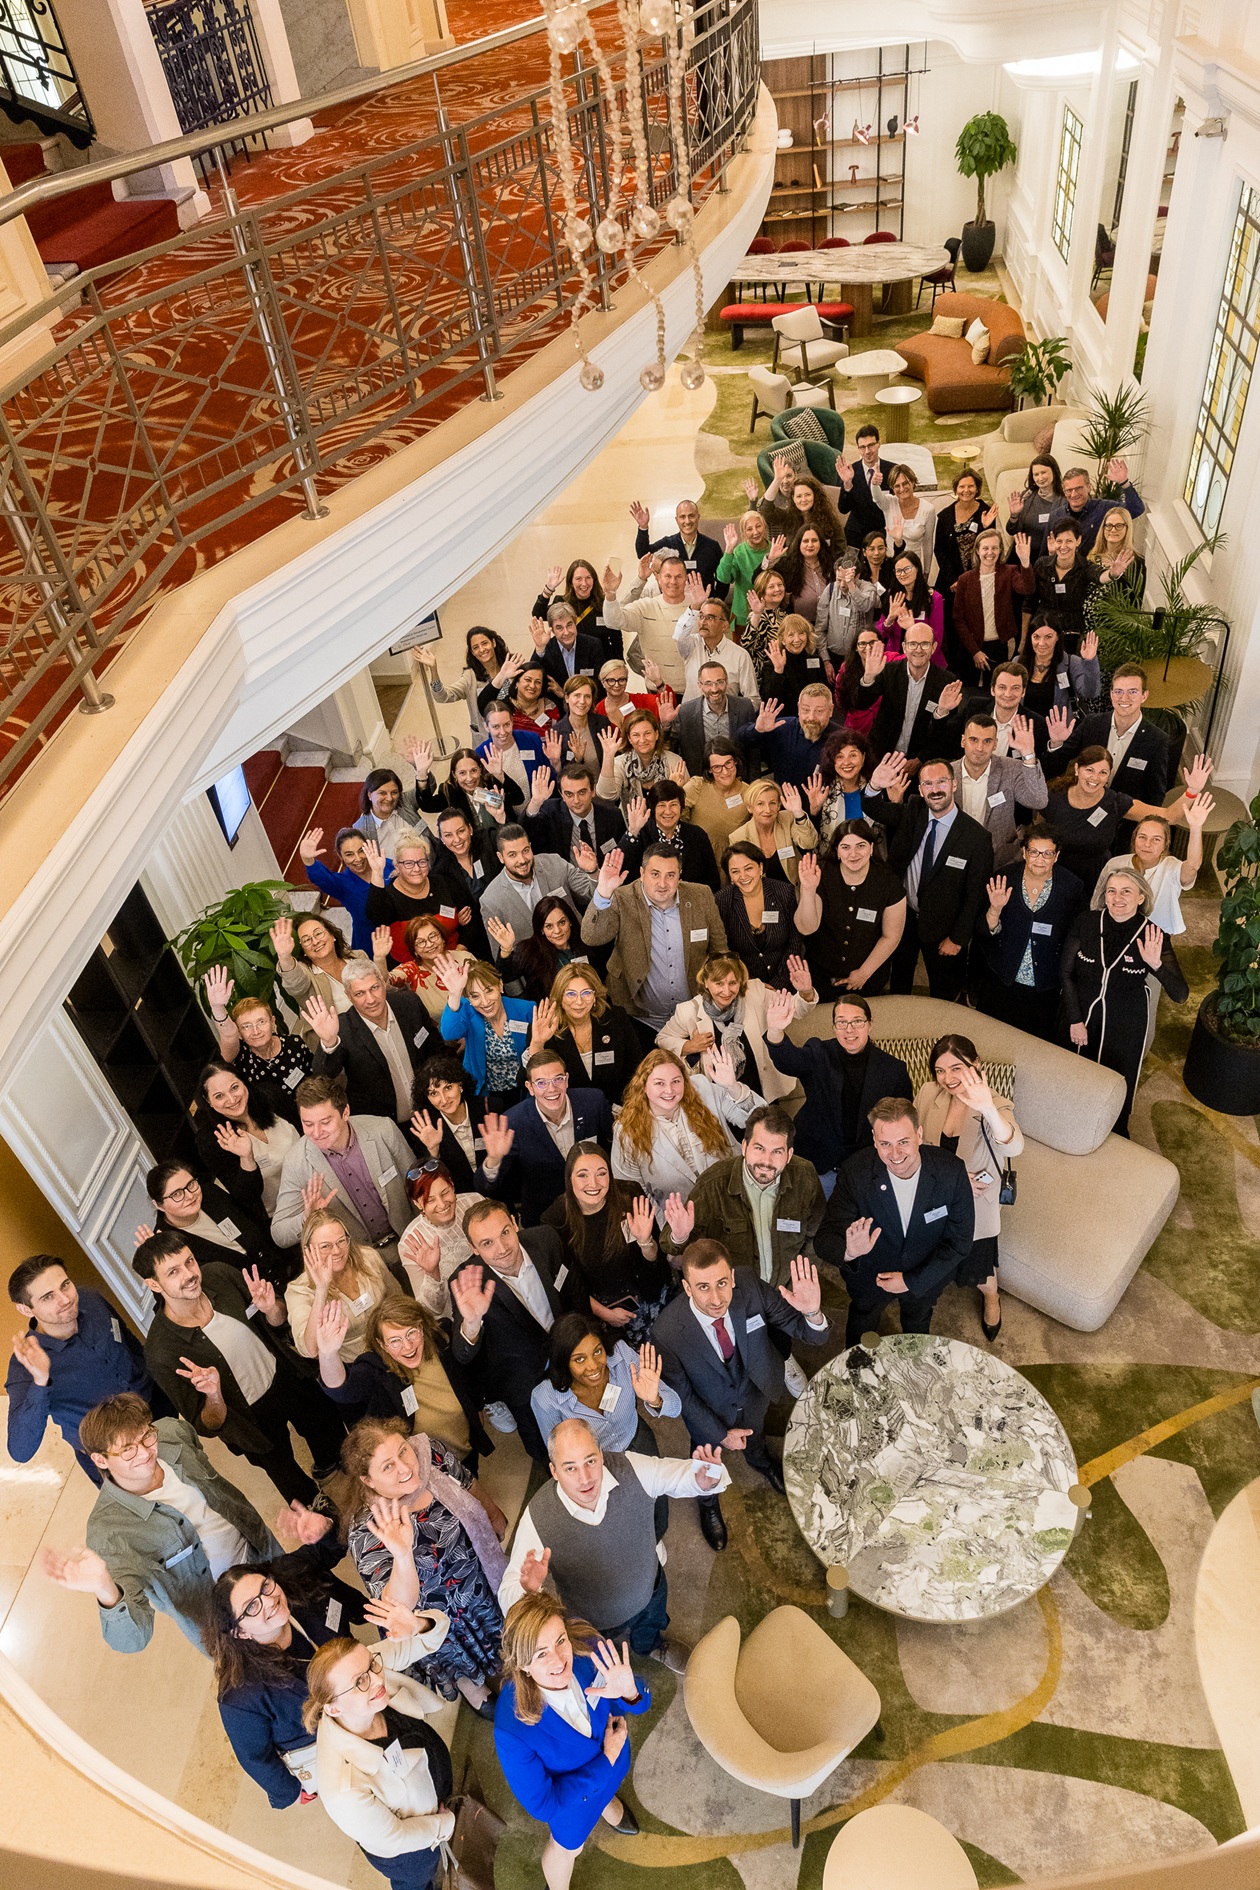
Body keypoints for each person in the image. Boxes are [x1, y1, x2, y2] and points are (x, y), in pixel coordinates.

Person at [40, 1395, 298, 1652]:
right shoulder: (109, 1532)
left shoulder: (172, 1433)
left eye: (146, 1436)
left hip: (266, 1559)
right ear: (100, 1460)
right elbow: (132, 1641)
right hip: (229, 1623)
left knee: (308, 1615)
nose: (145, 1453)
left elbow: (194, 1444)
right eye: (128, 1450)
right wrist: (105, 1589)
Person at [135, 1232, 344, 1507]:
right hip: (249, 1420)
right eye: (173, 1272)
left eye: (189, 1261)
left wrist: (271, 1308)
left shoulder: (220, 1275)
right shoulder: (161, 1352)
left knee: (332, 1439)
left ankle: (334, 1474)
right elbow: (206, 1424)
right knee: (292, 1483)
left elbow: (278, 1321)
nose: (189, 1274)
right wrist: (213, 1395)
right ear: (153, 1284)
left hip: (284, 1378)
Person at [499, 1417, 727, 1667]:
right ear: (554, 1471)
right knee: (596, 1651)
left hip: (648, 1591)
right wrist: (528, 1590)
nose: (585, 1479)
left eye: (590, 1461)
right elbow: (508, 1592)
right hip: (590, 1619)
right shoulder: (538, 1516)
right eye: (570, 1468)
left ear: (601, 1454)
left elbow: (681, 1475)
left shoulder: (632, 1468)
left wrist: (705, 1480)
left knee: (650, 1626)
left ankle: (651, 1646)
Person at [652, 1242, 829, 1520]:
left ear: (733, 1277)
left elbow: (809, 1333)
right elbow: (683, 1397)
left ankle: (759, 1460)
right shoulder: (667, 1332)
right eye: (703, 1287)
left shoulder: (750, 1286)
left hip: (755, 1392)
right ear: (687, 1288)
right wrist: (722, 1435)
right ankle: (708, 1501)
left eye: (722, 1283)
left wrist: (811, 1313)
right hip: (709, 1411)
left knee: (755, 1434)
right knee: (704, 1457)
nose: (716, 1299)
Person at [341, 1415, 507, 1713]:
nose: (406, 1467)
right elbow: (396, 1607)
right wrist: (402, 1554)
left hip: (479, 1582)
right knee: (462, 1664)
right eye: (387, 1466)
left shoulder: (430, 1453)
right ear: (368, 1480)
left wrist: (494, 1516)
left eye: (403, 1451)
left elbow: (468, 1483)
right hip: (439, 1620)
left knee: (501, 1639)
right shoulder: (366, 1531)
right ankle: (474, 1689)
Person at [207, 1533, 384, 1808]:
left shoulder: (298, 1590)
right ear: (239, 1632)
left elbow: (327, 1546)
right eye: (251, 1607)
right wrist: (288, 1791)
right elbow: (255, 1756)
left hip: (369, 1706)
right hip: (332, 1749)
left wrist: (324, 1526)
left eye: (265, 1586)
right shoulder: (240, 1694)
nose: (269, 1601)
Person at [494, 1598, 650, 1885]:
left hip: (614, 1764)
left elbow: (633, 1703)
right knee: (568, 1850)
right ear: (523, 1665)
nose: (559, 1660)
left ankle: (608, 1804)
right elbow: (544, 1804)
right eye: (541, 1654)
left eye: (560, 1641)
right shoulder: (511, 1727)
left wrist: (630, 1692)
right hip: (573, 1803)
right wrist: (606, 1760)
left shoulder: (587, 1648)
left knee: (607, 1790)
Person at [303, 1625, 457, 1889]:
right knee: (418, 1881)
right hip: (411, 1851)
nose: (377, 1679)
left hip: (433, 1785)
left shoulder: (362, 1667)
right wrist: (444, 1824)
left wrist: (419, 1624)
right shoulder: (344, 1791)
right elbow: (395, 1838)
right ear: (333, 1708)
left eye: (373, 1665)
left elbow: (432, 1634)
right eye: (359, 1683)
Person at [816, 1098, 975, 1345]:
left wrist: (911, 1281)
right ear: (874, 1140)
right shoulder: (855, 1173)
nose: (895, 1154)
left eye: (903, 1142)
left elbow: (960, 1243)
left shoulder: (951, 1171)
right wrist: (849, 1251)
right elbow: (824, 1239)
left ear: (919, 1135)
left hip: (925, 1275)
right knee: (863, 1322)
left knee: (917, 1323)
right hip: (870, 1277)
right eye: (885, 1144)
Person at [448, 1200, 585, 1460]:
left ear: (514, 1223)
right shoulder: (466, 1282)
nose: (502, 1249)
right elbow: (462, 1354)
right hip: (522, 1380)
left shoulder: (546, 1240)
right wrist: (472, 1322)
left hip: (568, 1353)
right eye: (487, 1243)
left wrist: (583, 1339)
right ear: (473, 1248)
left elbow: (573, 1287)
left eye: (505, 1233)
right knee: (541, 1445)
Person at [1061, 864, 1189, 1134]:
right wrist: (1074, 1019)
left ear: (1141, 897)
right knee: (1074, 1076)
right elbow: (1066, 973)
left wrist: (1156, 965)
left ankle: (1113, 1134)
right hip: (1081, 1015)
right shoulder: (1086, 921)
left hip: (1126, 1024)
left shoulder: (1153, 934)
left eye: (1126, 891)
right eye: (1111, 891)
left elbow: (1180, 994)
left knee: (1115, 1081)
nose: (1117, 898)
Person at [7, 1257, 157, 1483]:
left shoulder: (90, 1299)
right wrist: (40, 1381)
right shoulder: (25, 1365)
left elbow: (126, 1338)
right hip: (115, 1454)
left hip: (154, 1410)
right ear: (26, 1309)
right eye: (48, 1297)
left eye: (65, 1285)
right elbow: (20, 1450)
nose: (65, 1299)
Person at [659, 1103, 826, 1305]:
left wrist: (797, 1284)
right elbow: (668, 1243)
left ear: (789, 1155)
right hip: (734, 1299)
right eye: (759, 1148)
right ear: (745, 1146)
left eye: (777, 1152)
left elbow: (816, 1236)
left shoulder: (805, 1176)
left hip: (785, 1296)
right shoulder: (713, 1183)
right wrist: (680, 1235)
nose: (766, 1161)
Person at [915, 1036, 1023, 1342]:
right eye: (940, 1070)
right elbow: (917, 1143)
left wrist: (987, 1108)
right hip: (936, 1193)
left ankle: (992, 1297)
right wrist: (955, 1178)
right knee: (932, 1252)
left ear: (976, 1065)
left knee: (978, 1267)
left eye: (956, 1068)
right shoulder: (928, 1093)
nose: (947, 1078)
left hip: (975, 1204)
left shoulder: (995, 1103)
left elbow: (1014, 1145)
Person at [870, 754, 993, 999]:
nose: (935, 790)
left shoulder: (976, 837)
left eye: (941, 782)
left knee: (943, 992)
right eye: (928, 783)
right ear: (920, 789)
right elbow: (874, 808)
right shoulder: (913, 810)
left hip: (943, 929)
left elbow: (976, 895)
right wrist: (874, 785)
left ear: (954, 784)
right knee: (899, 984)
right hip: (902, 918)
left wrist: (958, 938)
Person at [763, 989, 912, 1192]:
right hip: (816, 1161)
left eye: (857, 1021)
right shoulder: (819, 1052)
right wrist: (775, 1032)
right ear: (834, 1027)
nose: (849, 1029)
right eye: (841, 1022)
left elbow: (903, 1122)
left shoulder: (893, 1069)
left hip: (866, 1167)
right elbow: (790, 1061)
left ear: (869, 1023)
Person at [316, 1292, 489, 1466]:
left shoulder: (441, 1338)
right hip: (425, 1465)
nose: (407, 1346)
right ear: (382, 1345)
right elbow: (343, 1390)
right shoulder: (376, 1367)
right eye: (395, 1341)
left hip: (465, 1445)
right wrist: (328, 1354)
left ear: (422, 1327)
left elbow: (468, 1373)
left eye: (411, 1333)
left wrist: (477, 1407)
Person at [581, 844, 727, 1038]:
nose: (662, 884)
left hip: (692, 1013)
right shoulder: (622, 898)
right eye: (655, 874)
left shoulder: (701, 895)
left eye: (670, 875)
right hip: (638, 1015)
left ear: (680, 875)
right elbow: (591, 937)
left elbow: (720, 951)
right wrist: (603, 893)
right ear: (642, 873)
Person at [270, 1077, 416, 1258]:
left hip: (410, 1241)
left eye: (325, 1122)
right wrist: (308, 1217)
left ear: (345, 1112)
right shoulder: (296, 1162)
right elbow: (279, 1233)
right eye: (308, 1124)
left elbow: (418, 1185)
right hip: (356, 1260)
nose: (316, 1132)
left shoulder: (383, 1130)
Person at [540, 1150, 673, 1343]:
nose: (593, 1183)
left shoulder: (629, 1194)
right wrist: (605, 1314)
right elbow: (568, 1282)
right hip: (607, 1318)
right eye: (583, 1175)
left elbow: (657, 1259)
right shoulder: (556, 1219)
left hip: (654, 1299)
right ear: (569, 1179)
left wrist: (645, 1242)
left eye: (601, 1173)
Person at [473, 1048, 614, 1228]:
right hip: (545, 1216)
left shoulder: (593, 1102)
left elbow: (611, 1148)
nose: (552, 1089)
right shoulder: (514, 1122)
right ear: (530, 1088)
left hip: (598, 1206)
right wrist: (493, 1159)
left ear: (566, 1080)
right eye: (541, 1083)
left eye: (558, 1079)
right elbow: (484, 1187)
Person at [612, 1047, 762, 1213]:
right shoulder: (627, 1130)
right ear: (643, 1086)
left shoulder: (702, 1088)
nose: (669, 1090)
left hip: (735, 1203)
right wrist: (668, 1224)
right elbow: (631, 1190)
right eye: (659, 1083)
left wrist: (733, 1087)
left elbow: (759, 1121)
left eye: (676, 1081)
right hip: (678, 1219)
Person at [657, 950, 816, 1103]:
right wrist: (689, 1046)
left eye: (733, 983)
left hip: (760, 1092)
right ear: (705, 982)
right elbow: (662, 1038)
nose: (726, 991)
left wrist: (806, 992)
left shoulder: (756, 992)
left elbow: (795, 1009)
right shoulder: (688, 1010)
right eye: (719, 983)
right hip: (719, 1100)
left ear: (741, 981)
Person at [972, 823, 1085, 1038]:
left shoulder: (1072, 887)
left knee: (1033, 1043)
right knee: (992, 1038)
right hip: (1002, 979)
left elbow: (1076, 937)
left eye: (1047, 853)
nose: (1039, 859)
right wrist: (995, 909)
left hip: (1044, 986)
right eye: (1034, 852)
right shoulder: (1003, 878)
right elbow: (983, 932)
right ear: (1024, 852)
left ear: (1056, 856)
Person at [1042, 746, 1197, 891]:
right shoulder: (1054, 795)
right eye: (1089, 770)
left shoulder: (1116, 802)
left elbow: (1169, 816)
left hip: (1095, 880)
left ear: (1109, 775)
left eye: (1103, 772)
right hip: (1053, 874)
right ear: (1077, 769)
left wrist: (1192, 791)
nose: (1095, 778)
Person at [529, 1322, 680, 1470]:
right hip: (594, 1466)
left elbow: (675, 1408)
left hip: (639, 1442)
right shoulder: (545, 1397)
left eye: (597, 1352)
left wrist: (655, 1400)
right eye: (579, 1359)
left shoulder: (621, 1354)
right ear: (563, 1362)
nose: (593, 1366)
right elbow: (558, 1453)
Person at [304, 963, 435, 1129]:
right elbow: (323, 1077)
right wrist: (329, 1042)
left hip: (431, 1113)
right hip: (383, 1127)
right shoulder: (341, 1028)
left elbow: (435, 1048)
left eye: (374, 988)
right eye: (360, 993)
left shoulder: (409, 1003)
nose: (371, 999)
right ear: (349, 996)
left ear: (383, 983)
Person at [143, 1158, 293, 1294]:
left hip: (284, 1269)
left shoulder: (210, 1194)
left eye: (191, 1184)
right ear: (159, 1205)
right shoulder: (166, 1243)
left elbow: (253, 1220)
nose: (189, 1195)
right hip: (253, 1297)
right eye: (177, 1194)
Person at [285, 1207, 398, 1365]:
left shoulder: (368, 1257)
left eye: (341, 1241)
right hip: (358, 1366)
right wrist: (321, 1289)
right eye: (326, 1246)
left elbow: (397, 1298)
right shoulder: (299, 1290)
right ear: (308, 1250)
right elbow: (310, 1349)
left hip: (396, 1347)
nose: (337, 1251)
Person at [193, 1060, 302, 1220]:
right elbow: (247, 1196)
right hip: (282, 1215)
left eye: (234, 1087)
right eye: (219, 1096)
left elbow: (307, 1133)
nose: (232, 1099)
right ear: (208, 1101)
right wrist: (247, 1158)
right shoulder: (211, 1140)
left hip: (320, 1183)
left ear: (243, 1082)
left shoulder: (271, 1096)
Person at [810, 819, 906, 998]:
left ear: (871, 848)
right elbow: (806, 928)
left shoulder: (889, 882)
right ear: (837, 851)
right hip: (820, 976)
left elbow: (891, 936)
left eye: (861, 846)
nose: (853, 854)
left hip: (868, 978)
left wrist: (863, 973)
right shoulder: (820, 874)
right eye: (845, 847)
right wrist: (808, 890)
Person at [1096, 793, 1215, 937]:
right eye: (1142, 837)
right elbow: (1098, 901)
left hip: (1157, 935)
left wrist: (1196, 827)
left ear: (1165, 844)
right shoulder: (1115, 864)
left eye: (1156, 839)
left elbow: (1193, 866)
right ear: (1134, 839)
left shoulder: (1172, 867)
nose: (1147, 844)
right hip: (1116, 931)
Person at [437, 954, 549, 1106]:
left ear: (500, 986)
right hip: (486, 1093)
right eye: (475, 996)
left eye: (489, 991)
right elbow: (448, 1033)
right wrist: (454, 994)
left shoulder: (526, 1009)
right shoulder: (468, 1012)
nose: (485, 1002)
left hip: (525, 1088)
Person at [1054, 663, 1174, 803]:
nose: (1124, 698)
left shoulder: (1157, 740)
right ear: (1111, 694)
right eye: (1118, 691)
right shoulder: (1091, 724)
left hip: (1123, 815)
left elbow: (1155, 795)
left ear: (1144, 695)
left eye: (1132, 692)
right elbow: (1056, 765)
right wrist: (1056, 742)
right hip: (1082, 806)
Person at [478, 826, 593, 962]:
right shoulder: (491, 900)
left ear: (531, 847)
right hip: (536, 968)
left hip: (578, 956)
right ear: (500, 857)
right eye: (512, 855)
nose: (522, 860)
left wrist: (593, 872)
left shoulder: (555, 864)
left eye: (525, 851)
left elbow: (591, 893)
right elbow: (501, 957)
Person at [718, 842, 821, 989]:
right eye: (735, 872)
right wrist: (752, 985)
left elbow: (795, 942)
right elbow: (723, 951)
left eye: (748, 868)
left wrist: (778, 984)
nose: (743, 876)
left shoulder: (784, 892)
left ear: (760, 867)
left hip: (786, 983)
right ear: (729, 876)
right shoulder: (722, 900)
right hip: (744, 987)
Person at [951, 710, 1048, 867]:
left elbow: (1038, 801)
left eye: (987, 741)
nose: (980, 748)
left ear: (995, 744)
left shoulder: (1011, 768)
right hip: (957, 858)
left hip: (1000, 859)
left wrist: (1029, 755)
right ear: (963, 741)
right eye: (973, 740)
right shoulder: (947, 773)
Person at [537, 962, 641, 1106]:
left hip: (617, 1106)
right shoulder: (545, 1027)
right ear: (560, 997)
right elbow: (527, 1081)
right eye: (571, 994)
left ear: (595, 996)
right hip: (567, 1109)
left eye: (586, 993)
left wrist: (624, 1107)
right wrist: (537, 1043)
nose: (579, 1001)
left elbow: (636, 1069)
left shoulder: (616, 1019)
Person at [856, 627, 962, 766]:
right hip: (883, 756)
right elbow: (862, 703)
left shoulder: (947, 681)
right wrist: (869, 677)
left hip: (921, 763)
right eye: (913, 644)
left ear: (933, 647)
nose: (918, 650)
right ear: (904, 647)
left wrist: (920, 760)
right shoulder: (889, 671)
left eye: (925, 644)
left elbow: (946, 733)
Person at [204, 973, 314, 1106]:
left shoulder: (294, 1044)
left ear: (272, 1022)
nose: (256, 1031)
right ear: (239, 1033)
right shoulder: (240, 1057)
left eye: (261, 1022)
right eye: (246, 1026)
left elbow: (315, 1078)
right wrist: (218, 1009)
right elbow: (229, 1037)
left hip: (308, 1107)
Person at [394, 1165, 482, 1320]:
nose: (442, 1204)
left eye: (445, 1192)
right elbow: (431, 1310)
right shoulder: (411, 1242)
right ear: (417, 1204)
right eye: (430, 1200)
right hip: (460, 1316)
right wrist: (432, 1273)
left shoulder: (475, 1202)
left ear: (452, 1186)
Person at [409, 624, 517, 743]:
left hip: (514, 731)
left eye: (485, 643)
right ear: (472, 652)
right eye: (475, 647)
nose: (482, 649)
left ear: (493, 643)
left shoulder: (510, 665)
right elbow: (443, 697)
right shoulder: (470, 677)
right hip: (486, 739)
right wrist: (433, 669)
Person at [951, 529, 1036, 679]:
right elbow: (958, 619)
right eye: (985, 548)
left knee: (998, 686)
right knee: (969, 688)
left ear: (1000, 550)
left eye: (994, 548)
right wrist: (975, 651)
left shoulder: (1009, 572)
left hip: (1000, 646)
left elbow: (1027, 589)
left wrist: (1025, 561)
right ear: (977, 550)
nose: (990, 552)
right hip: (971, 647)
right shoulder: (965, 579)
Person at [603, 551, 694, 690]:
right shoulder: (646, 607)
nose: (673, 581)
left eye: (678, 576)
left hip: (693, 691)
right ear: (659, 578)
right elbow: (614, 621)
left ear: (686, 578)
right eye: (668, 576)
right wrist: (610, 594)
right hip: (655, 690)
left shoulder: (697, 606)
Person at [298, 825, 393, 956]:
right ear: (340, 856)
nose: (358, 859)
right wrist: (308, 859)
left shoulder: (386, 865)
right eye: (349, 854)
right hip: (371, 942)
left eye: (361, 851)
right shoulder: (342, 884)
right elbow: (321, 878)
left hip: (401, 931)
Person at [274, 913, 372, 1037]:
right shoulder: (308, 976)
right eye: (306, 940)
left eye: (318, 933)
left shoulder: (358, 957)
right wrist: (284, 956)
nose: (315, 941)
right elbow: (295, 983)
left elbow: (382, 989)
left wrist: (380, 958)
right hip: (338, 1043)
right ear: (303, 950)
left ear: (332, 935)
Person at [621, 778, 721, 894]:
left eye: (673, 804)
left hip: (690, 900)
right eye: (661, 805)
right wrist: (633, 831)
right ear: (653, 808)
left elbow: (713, 881)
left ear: (681, 807)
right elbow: (622, 872)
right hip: (649, 901)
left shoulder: (697, 835)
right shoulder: (640, 834)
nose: (668, 811)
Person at [408, 1057, 489, 1193]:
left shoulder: (490, 1108)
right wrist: (433, 1151)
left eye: (448, 1088)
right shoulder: (425, 1128)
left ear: (460, 1085)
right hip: (460, 1197)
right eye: (434, 1093)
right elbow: (431, 1182)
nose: (444, 1099)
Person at [487, 895, 588, 1002]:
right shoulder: (531, 950)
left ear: (570, 922)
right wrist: (506, 948)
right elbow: (504, 976)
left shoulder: (585, 942)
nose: (557, 930)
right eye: (549, 926)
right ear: (541, 929)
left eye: (562, 922)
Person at [523, 761, 623, 866]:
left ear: (593, 791)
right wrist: (535, 802)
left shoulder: (612, 816)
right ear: (562, 795)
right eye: (569, 794)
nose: (576, 800)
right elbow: (528, 836)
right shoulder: (551, 812)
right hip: (564, 875)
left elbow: (623, 854)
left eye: (582, 792)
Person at [669, 661, 756, 779]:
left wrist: (754, 783)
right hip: (701, 780)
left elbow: (753, 751)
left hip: (737, 779)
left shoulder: (744, 707)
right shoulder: (685, 712)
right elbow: (671, 748)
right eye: (708, 683)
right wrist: (665, 724)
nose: (714, 689)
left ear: (727, 682)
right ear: (700, 685)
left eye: (719, 682)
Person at [727, 777, 820, 886]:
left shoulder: (788, 818)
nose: (767, 810)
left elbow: (809, 843)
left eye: (772, 803)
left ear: (779, 805)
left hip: (794, 891)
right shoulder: (738, 837)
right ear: (750, 808)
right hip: (761, 894)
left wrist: (798, 813)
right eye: (760, 804)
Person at [672, 588, 760, 702]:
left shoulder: (740, 655)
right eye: (701, 616)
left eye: (710, 618)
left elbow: (753, 699)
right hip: (692, 713)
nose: (703, 622)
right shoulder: (691, 645)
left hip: (726, 713)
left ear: (724, 625)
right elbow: (678, 636)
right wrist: (694, 607)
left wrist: (735, 711)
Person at [417, 743, 523, 833]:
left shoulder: (492, 782)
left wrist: (500, 775)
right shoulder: (449, 791)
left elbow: (518, 798)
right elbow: (427, 806)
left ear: (480, 769)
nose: (469, 778)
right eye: (462, 773)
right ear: (454, 774)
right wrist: (422, 774)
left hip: (503, 836)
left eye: (473, 771)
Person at [751, 681, 838, 788]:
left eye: (819, 711)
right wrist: (757, 730)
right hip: (784, 797)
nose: (811, 717)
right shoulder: (781, 728)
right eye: (806, 710)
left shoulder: (841, 738)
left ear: (830, 710)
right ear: (798, 708)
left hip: (827, 797)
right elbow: (742, 740)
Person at [750, 457, 845, 555]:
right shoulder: (788, 517)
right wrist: (777, 480)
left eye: (807, 495)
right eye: (799, 496)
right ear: (793, 498)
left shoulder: (829, 519)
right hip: (794, 563)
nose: (803, 499)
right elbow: (765, 509)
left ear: (815, 496)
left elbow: (840, 549)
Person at [1048, 460, 1146, 554]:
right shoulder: (1056, 516)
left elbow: (1136, 509)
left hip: (1096, 564)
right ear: (1064, 491)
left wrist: (1124, 483)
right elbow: (1047, 549)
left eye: (1078, 488)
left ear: (1089, 487)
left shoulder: (1105, 509)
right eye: (1069, 490)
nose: (1073, 494)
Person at [387, 915, 476, 1019]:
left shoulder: (465, 958)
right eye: (420, 942)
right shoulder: (409, 970)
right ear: (414, 951)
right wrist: (379, 958)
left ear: (443, 938)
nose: (429, 944)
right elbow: (384, 983)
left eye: (433, 936)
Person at [631, 496, 725, 590]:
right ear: (677, 520)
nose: (687, 521)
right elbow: (643, 554)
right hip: (673, 598)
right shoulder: (667, 544)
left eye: (691, 516)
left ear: (698, 517)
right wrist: (643, 528)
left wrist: (717, 597)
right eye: (682, 517)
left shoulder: (712, 546)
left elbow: (723, 577)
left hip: (705, 599)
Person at [1020, 617, 1102, 721]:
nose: (1041, 643)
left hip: (1060, 729)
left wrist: (1089, 662)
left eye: (1048, 637)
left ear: (1058, 637)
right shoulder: (1019, 663)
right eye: (1036, 637)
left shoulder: (1071, 663)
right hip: (1023, 728)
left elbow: (1091, 692)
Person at [1033, 520, 1099, 647]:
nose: (1063, 546)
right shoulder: (1042, 565)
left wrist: (1113, 574)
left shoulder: (1085, 567)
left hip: (1073, 636)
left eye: (1069, 541)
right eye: (1059, 541)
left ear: (1078, 541)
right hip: (1044, 634)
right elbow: (1029, 602)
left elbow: (1100, 577)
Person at [684, 739, 753, 859]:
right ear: (709, 769)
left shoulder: (749, 793)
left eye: (728, 763)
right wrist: (674, 789)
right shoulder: (697, 786)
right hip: (699, 858)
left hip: (734, 861)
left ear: (736, 761)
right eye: (717, 767)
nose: (725, 772)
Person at [933, 468, 996, 599]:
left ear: (977, 489)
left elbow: (991, 548)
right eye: (962, 486)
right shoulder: (945, 516)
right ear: (956, 489)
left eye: (970, 486)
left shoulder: (987, 513)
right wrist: (952, 580)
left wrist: (984, 527)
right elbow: (939, 550)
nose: (966, 490)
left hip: (979, 579)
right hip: (951, 581)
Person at [870, 463, 940, 579]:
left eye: (905, 483)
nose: (902, 489)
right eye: (897, 486)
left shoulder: (928, 509)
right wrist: (874, 484)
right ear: (892, 488)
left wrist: (926, 572)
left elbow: (928, 544)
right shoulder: (889, 503)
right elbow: (877, 497)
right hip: (891, 564)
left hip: (913, 566)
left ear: (913, 482)